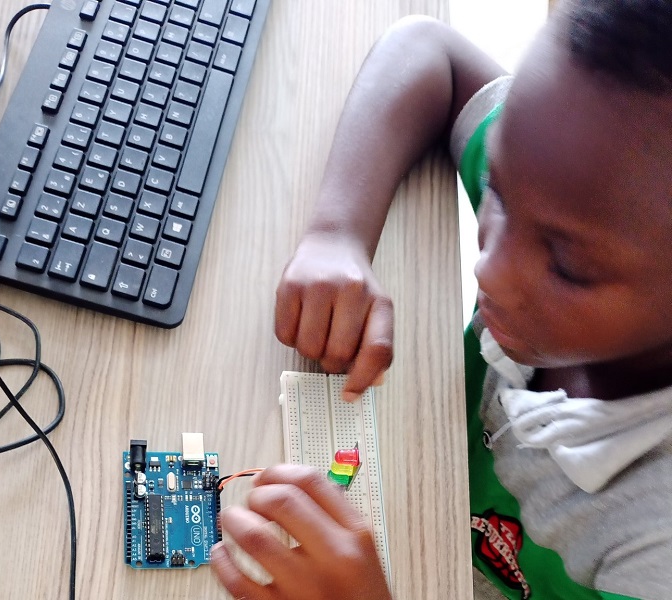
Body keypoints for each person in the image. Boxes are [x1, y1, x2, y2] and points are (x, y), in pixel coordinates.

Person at [211, 1, 672, 598]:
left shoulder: (653, 548)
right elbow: (434, 54)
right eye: (498, 196)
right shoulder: (566, 182)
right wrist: (338, 236)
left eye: (568, 266)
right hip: (418, 482)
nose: (490, 270)